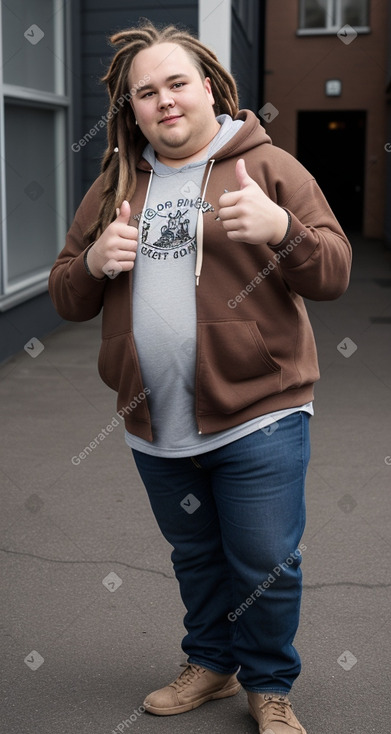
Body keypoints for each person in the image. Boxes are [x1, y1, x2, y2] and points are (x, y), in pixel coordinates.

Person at [49, 20, 352, 734]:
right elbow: (66, 293)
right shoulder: (115, 182)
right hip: (154, 421)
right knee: (195, 557)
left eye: (176, 83)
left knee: (264, 563)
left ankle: (269, 685)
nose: (164, 101)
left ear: (210, 87)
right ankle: (211, 664)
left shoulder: (270, 166)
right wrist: (92, 265)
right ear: (132, 110)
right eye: (144, 93)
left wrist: (283, 228)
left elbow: (334, 270)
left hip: (261, 413)